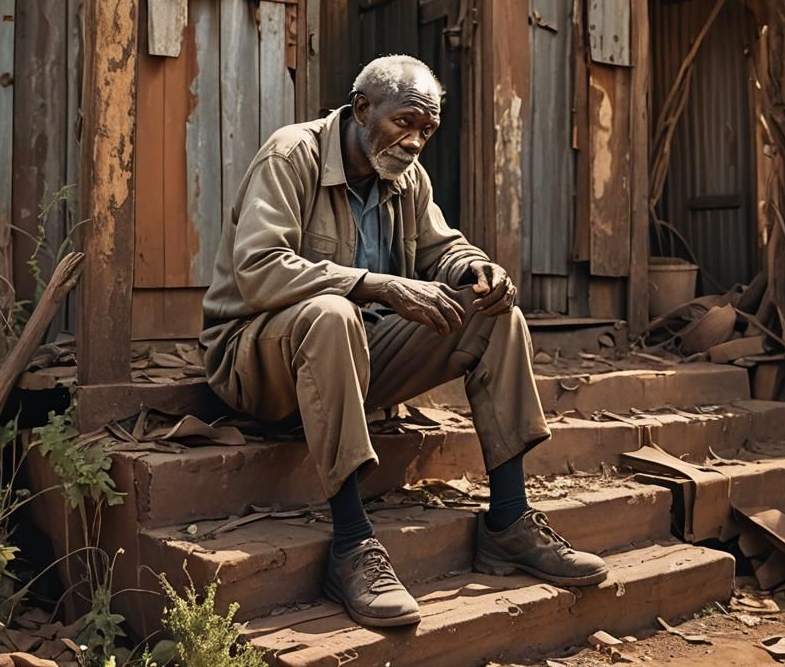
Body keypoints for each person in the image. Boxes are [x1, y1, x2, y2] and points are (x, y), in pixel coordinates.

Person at [200, 54, 608, 629]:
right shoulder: (292, 155)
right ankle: (351, 546)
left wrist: (476, 272)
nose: (416, 142)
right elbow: (261, 268)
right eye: (405, 123)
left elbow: (442, 248)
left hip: (356, 363)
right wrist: (380, 286)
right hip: (258, 363)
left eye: (427, 131)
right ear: (362, 107)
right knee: (332, 312)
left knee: (496, 315)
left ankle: (509, 523)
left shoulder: (406, 177)